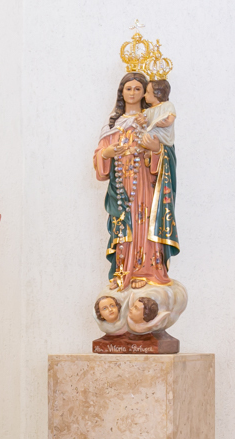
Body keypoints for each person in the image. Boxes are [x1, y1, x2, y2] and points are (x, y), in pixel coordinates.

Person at [94, 72, 177, 291]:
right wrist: (107, 153)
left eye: (138, 89)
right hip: (121, 187)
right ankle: (124, 271)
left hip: (145, 184)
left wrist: (156, 150)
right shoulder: (113, 125)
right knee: (123, 225)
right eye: (128, 88)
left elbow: (168, 154)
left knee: (145, 222)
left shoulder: (151, 120)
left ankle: (147, 271)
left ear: (146, 93)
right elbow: (100, 164)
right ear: (121, 92)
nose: (132, 93)